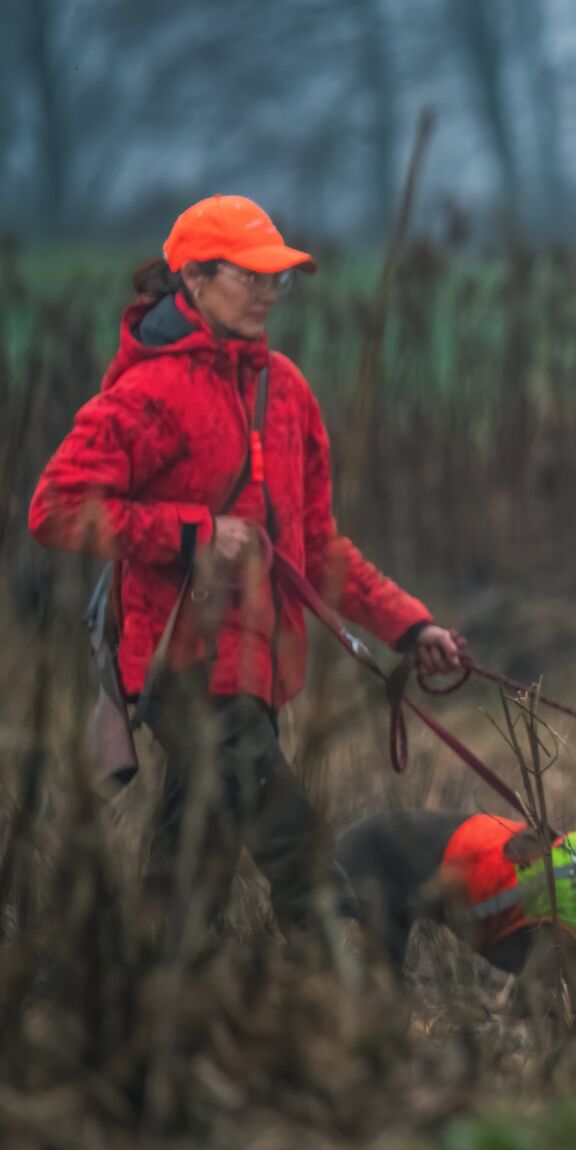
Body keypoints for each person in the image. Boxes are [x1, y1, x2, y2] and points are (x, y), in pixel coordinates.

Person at [28, 195, 462, 956]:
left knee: (190, 866)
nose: (268, 293)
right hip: (181, 665)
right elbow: (56, 508)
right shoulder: (148, 392)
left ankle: (148, 983)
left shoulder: (287, 391)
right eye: (250, 276)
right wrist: (191, 533)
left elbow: (317, 547)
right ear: (193, 279)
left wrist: (410, 624)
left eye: (277, 279)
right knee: (291, 838)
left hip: (260, 667)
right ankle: (349, 979)